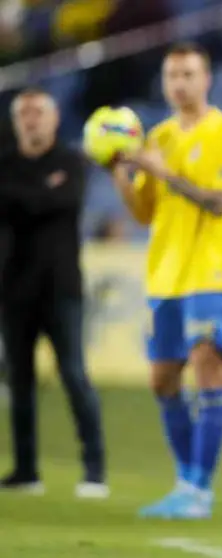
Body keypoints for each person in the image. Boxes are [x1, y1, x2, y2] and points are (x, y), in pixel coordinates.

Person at [105, 42, 222, 519]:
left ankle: (198, 491)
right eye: (172, 76)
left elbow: (219, 202)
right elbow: (145, 212)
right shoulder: (158, 137)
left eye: (189, 74)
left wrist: (163, 172)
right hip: (165, 276)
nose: (179, 84)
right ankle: (186, 483)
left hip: (210, 270)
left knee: (208, 366)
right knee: (163, 380)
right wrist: (119, 175)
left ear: (206, 79)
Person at [0, 88, 107, 498]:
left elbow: (58, 201)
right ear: (15, 122)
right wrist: (36, 196)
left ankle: (94, 470)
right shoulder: (6, 163)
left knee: (75, 376)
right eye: (23, 114)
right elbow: (42, 201)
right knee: (19, 382)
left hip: (62, 288)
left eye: (38, 113)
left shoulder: (70, 162)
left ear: (54, 118)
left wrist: (20, 199)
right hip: (14, 289)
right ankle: (26, 470)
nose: (31, 120)